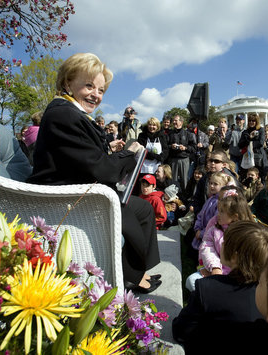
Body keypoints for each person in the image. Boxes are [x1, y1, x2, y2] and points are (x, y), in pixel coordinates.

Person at [28, 53, 161, 293]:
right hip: (66, 203)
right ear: (68, 83)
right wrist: (128, 153)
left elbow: (86, 157)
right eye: (89, 85)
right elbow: (105, 170)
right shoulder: (64, 114)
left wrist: (110, 151)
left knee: (142, 208)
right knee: (138, 210)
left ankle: (136, 271)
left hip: (77, 192)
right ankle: (131, 276)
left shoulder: (69, 113)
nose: (96, 95)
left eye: (101, 90)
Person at [173, 221, 268, 352]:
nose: (221, 244)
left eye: (225, 242)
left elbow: (181, 330)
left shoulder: (207, 288)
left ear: (235, 256)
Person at [186, 187, 253, 291]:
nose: (218, 215)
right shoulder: (214, 228)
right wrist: (214, 267)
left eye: (222, 212)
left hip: (236, 276)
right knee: (191, 281)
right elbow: (206, 247)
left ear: (235, 216)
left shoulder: (246, 234)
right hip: (214, 269)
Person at [192, 172, 234, 249]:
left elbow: (215, 222)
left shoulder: (220, 203)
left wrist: (201, 233)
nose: (211, 186)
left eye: (215, 184)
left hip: (212, 236)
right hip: (202, 232)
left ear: (224, 186)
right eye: (210, 183)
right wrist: (197, 228)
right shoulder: (211, 199)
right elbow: (201, 215)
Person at [168, 114, 197, 191]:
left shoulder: (188, 134)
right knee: (172, 181)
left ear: (181, 122)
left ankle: (185, 197)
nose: (174, 122)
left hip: (184, 160)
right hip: (173, 160)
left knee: (185, 181)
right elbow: (165, 146)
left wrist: (185, 148)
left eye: (175, 120)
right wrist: (171, 146)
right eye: (173, 121)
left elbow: (194, 148)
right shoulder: (169, 134)